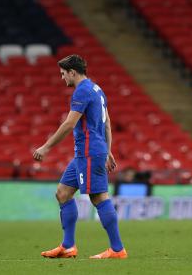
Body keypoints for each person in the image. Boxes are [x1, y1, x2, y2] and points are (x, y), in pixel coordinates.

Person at [33, 55, 127, 259]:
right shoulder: (97, 89)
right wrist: (108, 149)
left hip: (89, 152)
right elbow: (107, 122)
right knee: (63, 193)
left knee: (98, 197)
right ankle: (68, 246)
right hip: (87, 152)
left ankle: (117, 250)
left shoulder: (82, 91)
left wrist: (46, 147)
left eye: (63, 74)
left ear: (72, 72)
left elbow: (69, 124)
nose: (62, 78)